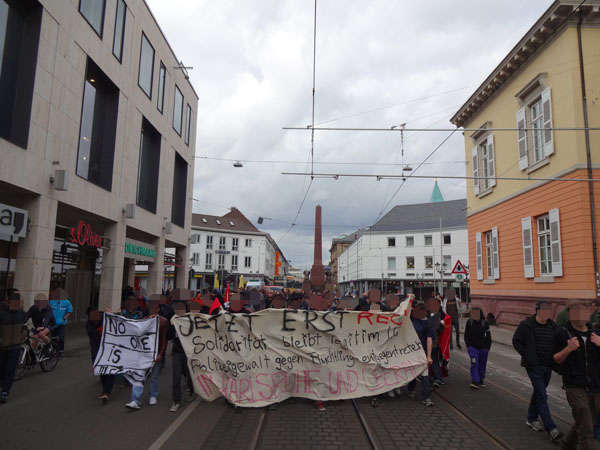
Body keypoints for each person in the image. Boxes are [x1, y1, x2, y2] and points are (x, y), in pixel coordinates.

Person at [512, 300, 563, 441]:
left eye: (549, 310)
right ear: (537, 310)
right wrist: (528, 356)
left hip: (547, 366)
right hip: (533, 366)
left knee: (539, 392)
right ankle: (551, 428)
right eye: (545, 310)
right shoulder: (526, 325)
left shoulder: (553, 326)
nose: (548, 312)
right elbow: (516, 341)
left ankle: (531, 417)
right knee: (542, 394)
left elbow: (558, 344)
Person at [553, 302, 600, 450]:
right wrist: (568, 349)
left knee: (587, 421)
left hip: (595, 385)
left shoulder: (596, 334)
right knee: (586, 427)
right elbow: (555, 358)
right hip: (574, 385)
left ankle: (567, 443)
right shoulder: (562, 333)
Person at [125, 299, 168, 410]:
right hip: (143, 354)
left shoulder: (163, 321)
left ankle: (153, 395)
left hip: (155, 354)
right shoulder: (143, 320)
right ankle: (135, 400)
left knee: (153, 377)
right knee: (138, 376)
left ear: (158, 309)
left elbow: (164, 339)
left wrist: (161, 354)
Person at [407, 300, 434, 407]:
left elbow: (429, 340)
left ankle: (426, 397)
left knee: (425, 374)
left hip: (422, 352)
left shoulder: (428, 324)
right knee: (412, 372)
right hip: (411, 351)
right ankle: (411, 389)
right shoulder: (413, 320)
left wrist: (429, 356)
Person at [0, 293, 26, 403]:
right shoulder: (1, 314)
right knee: (2, 369)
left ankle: (5, 391)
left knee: (10, 369)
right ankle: (3, 385)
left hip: (15, 347)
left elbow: (24, 328)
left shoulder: (21, 314)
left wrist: (21, 338)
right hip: (2, 347)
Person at [169, 301, 194, 412]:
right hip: (177, 352)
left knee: (190, 375)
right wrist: (171, 327)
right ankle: (176, 400)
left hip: (188, 353)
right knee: (176, 377)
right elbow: (169, 337)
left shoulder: (190, 320)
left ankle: (191, 391)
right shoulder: (173, 320)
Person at [86, 307, 115, 404]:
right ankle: (105, 390)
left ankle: (106, 392)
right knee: (101, 370)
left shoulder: (106, 319)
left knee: (110, 370)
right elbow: (93, 344)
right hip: (99, 349)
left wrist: (114, 315)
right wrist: (95, 361)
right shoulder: (89, 327)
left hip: (111, 348)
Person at [464, 307, 491, 389]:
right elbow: (466, 335)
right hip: (473, 348)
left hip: (483, 349)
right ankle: (475, 380)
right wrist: (469, 347)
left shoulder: (485, 323)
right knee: (474, 363)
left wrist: (487, 348)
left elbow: (489, 337)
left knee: (482, 364)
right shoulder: (469, 322)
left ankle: (481, 379)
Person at [426, 298, 445, 388]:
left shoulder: (439, 315)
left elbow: (441, 330)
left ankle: (437, 378)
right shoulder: (428, 314)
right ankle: (433, 377)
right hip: (427, 341)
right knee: (432, 360)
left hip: (433, 341)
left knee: (433, 360)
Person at [49, 290, 73, 356]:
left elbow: (70, 311)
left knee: (61, 337)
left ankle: (61, 350)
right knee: (53, 337)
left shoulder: (66, 302)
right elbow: (48, 311)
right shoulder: (51, 302)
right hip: (53, 323)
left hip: (62, 323)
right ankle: (54, 350)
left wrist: (64, 318)